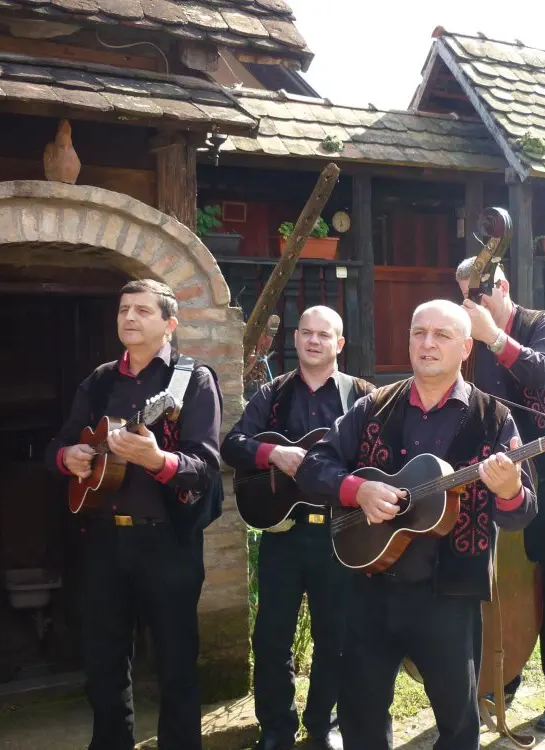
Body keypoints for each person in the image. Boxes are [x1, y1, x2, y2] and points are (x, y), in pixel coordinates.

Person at [298, 299, 538, 750]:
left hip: (450, 596)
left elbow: (522, 512)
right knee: (360, 715)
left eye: (441, 335)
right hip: (369, 586)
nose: (428, 343)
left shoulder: (494, 418)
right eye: (419, 333)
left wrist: (509, 490)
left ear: (465, 348)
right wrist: (356, 490)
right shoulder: (373, 406)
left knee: (458, 722)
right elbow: (314, 466)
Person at [45, 278, 223, 750]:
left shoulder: (191, 381)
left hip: (167, 542)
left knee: (176, 664)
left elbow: (205, 468)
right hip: (104, 540)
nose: (129, 317)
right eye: (124, 309)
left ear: (170, 324)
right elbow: (58, 443)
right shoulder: (100, 380)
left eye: (142, 310)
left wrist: (157, 460)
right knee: (103, 662)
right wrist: (69, 458)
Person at [221, 306, 374, 750]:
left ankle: (323, 725)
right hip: (284, 533)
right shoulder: (273, 393)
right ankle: (276, 729)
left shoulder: (362, 396)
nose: (313, 341)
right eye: (306, 332)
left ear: (339, 343)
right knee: (271, 637)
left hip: (339, 534)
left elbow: (381, 454)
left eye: (323, 335)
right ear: (295, 338)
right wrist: (272, 455)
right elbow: (232, 445)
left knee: (336, 637)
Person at [454, 258, 545, 730]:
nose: (471, 304)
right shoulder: (471, 337)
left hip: (543, 475)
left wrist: (492, 336)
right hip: (493, 481)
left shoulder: (542, 324)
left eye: (479, 294)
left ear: (503, 286)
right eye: (464, 296)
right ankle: (504, 675)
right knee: (498, 585)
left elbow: (540, 372)